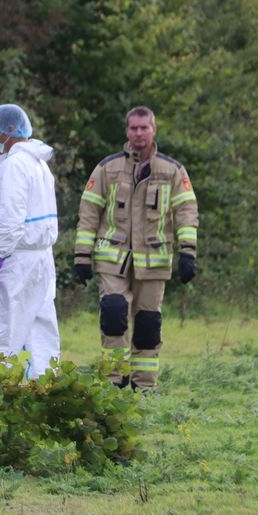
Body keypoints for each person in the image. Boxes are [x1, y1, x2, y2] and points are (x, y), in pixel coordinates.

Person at [73, 106, 198, 391]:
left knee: (147, 324)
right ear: (127, 131)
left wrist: (187, 252)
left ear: (154, 129)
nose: (139, 133)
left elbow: (187, 212)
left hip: (154, 260)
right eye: (133, 128)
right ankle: (114, 379)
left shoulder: (173, 171)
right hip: (111, 259)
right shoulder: (107, 168)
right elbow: (89, 210)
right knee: (114, 313)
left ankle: (144, 386)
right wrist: (82, 254)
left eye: (144, 128)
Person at [0, 104, 61, 379]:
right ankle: (44, 391)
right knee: (38, 329)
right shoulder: (38, 163)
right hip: (41, 260)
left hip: (16, 260)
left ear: (9, 132)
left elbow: (11, 219)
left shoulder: (15, 166)